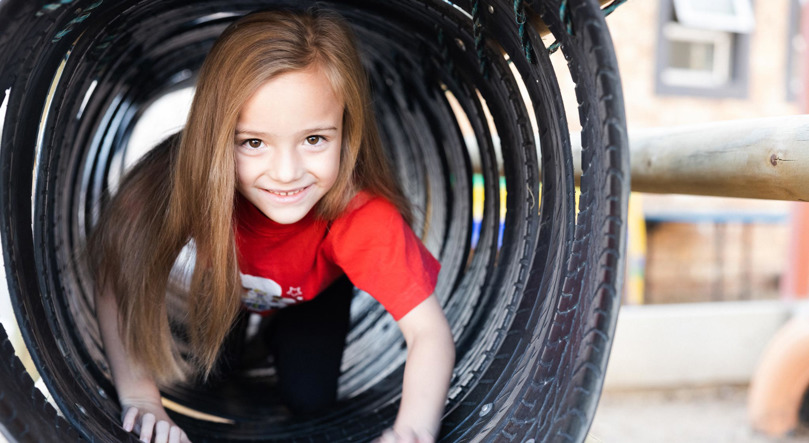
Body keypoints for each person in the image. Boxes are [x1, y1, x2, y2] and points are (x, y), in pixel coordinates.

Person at [87, 8, 455, 443]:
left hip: (313, 293)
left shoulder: (358, 214)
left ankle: (278, 332)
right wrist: (141, 397)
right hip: (224, 283)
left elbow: (429, 333)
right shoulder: (184, 180)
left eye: (314, 139)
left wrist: (410, 431)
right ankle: (245, 339)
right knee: (210, 374)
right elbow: (117, 271)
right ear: (216, 135)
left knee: (311, 400)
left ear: (347, 131)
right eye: (254, 143)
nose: (286, 172)